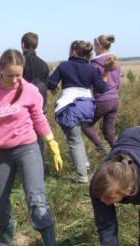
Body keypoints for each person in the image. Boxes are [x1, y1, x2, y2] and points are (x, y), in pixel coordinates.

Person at [0, 49, 64, 246]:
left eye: (19, 75)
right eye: (10, 75)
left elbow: (38, 117)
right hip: (3, 151)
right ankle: (6, 238)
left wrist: (51, 142)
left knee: (36, 197)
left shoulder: (30, 90)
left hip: (28, 148)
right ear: (0, 71)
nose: (15, 80)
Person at [47, 40, 108, 183]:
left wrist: (53, 86)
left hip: (71, 107)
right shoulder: (91, 69)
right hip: (88, 107)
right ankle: (85, 164)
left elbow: (50, 83)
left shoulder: (64, 66)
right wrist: (107, 72)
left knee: (73, 141)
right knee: (78, 138)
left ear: (74, 51)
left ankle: (81, 176)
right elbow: (102, 88)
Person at [82, 34, 122, 156]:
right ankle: (120, 154)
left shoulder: (94, 65)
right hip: (115, 100)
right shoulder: (116, 63)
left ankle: (101, 148)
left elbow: (89, 85)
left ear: (99, 46)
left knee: (85, 124)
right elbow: (118, 83)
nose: (94, 49)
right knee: (109, 133)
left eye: (95, 46)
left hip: (102, 100)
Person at [21, 32, 50, 168]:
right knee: (39, 136)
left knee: (23, 135)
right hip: (40, 105)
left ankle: (23, 166)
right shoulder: (44, 65)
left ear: (23, 45)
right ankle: (39, 165)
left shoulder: (20, 62)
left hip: (23, 105)